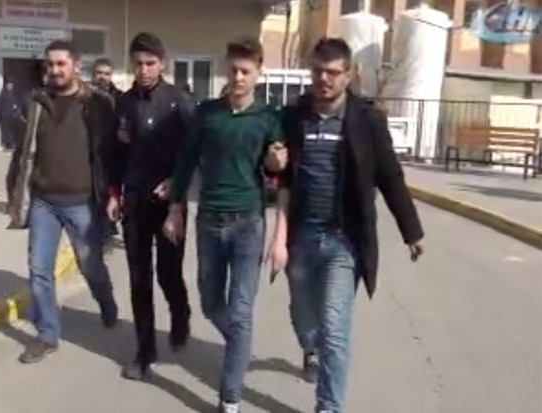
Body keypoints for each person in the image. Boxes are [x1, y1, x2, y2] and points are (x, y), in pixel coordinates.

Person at [267, 37, 425, 413]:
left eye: (333, 73)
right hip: (302, 235)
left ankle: (329, 406)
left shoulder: (367, 121)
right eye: (318, 71)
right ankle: (310, 346)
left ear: (349, 74)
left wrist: (411, 230)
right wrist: (271, 165)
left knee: (334, 328)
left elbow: (390, 176)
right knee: (305, 318)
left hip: (344, 240)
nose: (324, 79)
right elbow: (278, 173)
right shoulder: (294, 116)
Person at [162, 37, 286, 413]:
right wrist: (175, 208)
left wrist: (275, 163)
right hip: (210, 221)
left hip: (248, 222)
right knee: (210, 302)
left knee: (241, 309)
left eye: (246, 71)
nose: (238, 77)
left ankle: (229, 398)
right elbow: (186, 161)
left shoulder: (268, 117)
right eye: (233, 70)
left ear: (259, 73)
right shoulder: (207, 114)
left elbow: (278, 168)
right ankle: (240, 344)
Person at [6, 39, 118, 364]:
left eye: (60, 64)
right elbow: (23, 152)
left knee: (90, 266)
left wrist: (113, 193)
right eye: (50, 65)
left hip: (82, 202)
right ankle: (48, 334)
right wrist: (15, 192)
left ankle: (106, 300)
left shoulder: (97, 104)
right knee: (39, 269)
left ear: (75, 66)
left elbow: (110, 154)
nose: (54, 70)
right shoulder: (36, 103)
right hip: (44, 202)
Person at [106, 32, 193, 380]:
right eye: (138, 63)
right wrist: (114, 193)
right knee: (139, 279)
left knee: (168, 275)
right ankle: (145, 351)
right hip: (135, 203)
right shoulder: (124, 104)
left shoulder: (179, 102)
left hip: (170, 205)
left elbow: (192, 155)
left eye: (150, 63)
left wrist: (176, 185)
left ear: (162, 64)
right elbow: (114, 154)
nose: (144, 70)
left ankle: (180, 316)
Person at [90, 57, 123, 241]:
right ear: (93, 74)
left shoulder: (120, 98)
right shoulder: (84, 96)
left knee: (110, 192)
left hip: (112, 154)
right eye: (99, 73)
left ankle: (107, 227)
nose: (103, 77)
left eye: (106, 74)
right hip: (90, 154)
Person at [0, 80, 21, 151]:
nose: (10, 86)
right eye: (9, 85)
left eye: (11, 85)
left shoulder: (14, 94)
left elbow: (17, 104)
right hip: (5, 116)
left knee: (12, 131)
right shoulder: (3, 94)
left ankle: (11, 144)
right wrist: (0, 112)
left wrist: (17, 112)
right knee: (5, 131)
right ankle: (6, 145)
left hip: (12, 116)